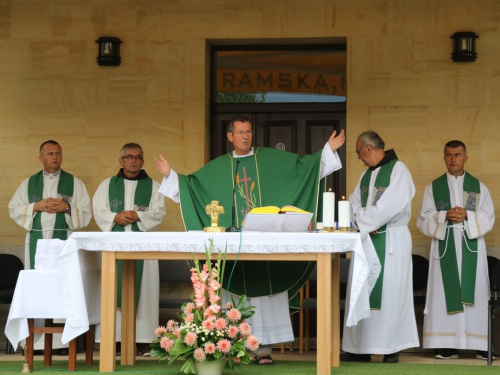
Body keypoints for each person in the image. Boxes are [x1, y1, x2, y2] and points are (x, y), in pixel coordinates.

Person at [155, 115, 345, 365]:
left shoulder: (269, 159)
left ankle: (264, 348)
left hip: (267, 252)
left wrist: (326, 151)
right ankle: (230, 347)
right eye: (241, 132)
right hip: (235, 251)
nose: (246, 136)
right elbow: (192, 187)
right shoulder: (220, 166)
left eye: (249, 132)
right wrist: (172, 176)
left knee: (267, 293)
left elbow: (304, 169)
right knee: (232, 293)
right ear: (230, 136)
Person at [341, 130, 419, 364]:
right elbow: (354, 203)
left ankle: (390, 347)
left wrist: (365, 222)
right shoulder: (366, 176)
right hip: (367, 241)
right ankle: (359, 348)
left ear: (368, 148)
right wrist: (362, 221)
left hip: (391, 242)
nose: (358, 157)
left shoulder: (398, 171)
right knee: (361, 291)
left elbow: (390, 206)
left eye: (358, 152)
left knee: (391, 295)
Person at [8, 139, 92, 354]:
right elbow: (14, 208)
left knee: (63, 286)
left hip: (64, 240)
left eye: (58, 153)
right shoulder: (28, 183)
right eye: (51, 153)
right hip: (37, 241)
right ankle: (35, 341)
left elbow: (86, 213)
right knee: (39, 288)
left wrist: (67, 207)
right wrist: (35, 206)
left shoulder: (75, 183)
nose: (55, 157)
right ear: (41, 158)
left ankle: (63, 342)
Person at [417, 140, 495, 360]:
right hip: (446, 245)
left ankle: (479, 343)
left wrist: (468, 215)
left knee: (476, 292)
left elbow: (489, 217)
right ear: (444, 158)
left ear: (465, 158)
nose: (453, 159)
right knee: (444, 292)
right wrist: (445, 216)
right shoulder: (433, 188)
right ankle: (446, 344)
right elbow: (423, 218)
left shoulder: (479, 187)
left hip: (471, 245)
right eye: (449, 155)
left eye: (457, 155)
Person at [93, 142, 166, 355]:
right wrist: (114, 217)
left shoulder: (153, 186)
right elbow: (98, 209)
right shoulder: (107, 185)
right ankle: (115, 339)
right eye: (129, 157)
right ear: (121, 161)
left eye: (138, 157)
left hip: (143, 245)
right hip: (114, 245)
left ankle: (144, 339)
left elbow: (159, 212)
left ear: (142, 162)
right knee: (113, 289)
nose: (134, 160)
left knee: (145, 291)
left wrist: (139, 216)